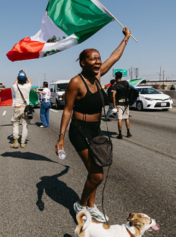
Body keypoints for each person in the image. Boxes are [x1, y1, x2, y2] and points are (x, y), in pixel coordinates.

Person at [55, 27, 132, 222]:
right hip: (79, 130)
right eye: (93, 59)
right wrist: (61, 137)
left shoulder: (98, 77)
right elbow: (67, 110)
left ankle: (91, 206)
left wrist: (126, 38)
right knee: (97, 175)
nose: (98, 62)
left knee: (96, 168)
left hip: (95, 129)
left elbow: (114, 57)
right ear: (83, 62)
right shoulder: (76, 83)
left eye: (99, 58)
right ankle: (80, 205)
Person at [10, 70, 32, 148]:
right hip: (25, 108)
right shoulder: (28, 86)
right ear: (25, 79)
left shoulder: (15, 87)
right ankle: (23, 143)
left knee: (15, 124)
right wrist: (26, 74)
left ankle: (15, 142)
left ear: (18, 79)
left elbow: (14, 84)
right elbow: (30, 81)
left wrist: (17, 77)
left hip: (17, 108)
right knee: (25, 125)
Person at [112, 71, 131, 139]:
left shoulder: (115, 86)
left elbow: (113, 96)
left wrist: (114, 106)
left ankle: (120, 134)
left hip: (119, 104)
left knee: (120, 119)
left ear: (115, 77)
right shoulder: (126, 83)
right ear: (121, 76)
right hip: (126, 103)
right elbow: (129, 90)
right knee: (126, 118)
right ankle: (128, 132)